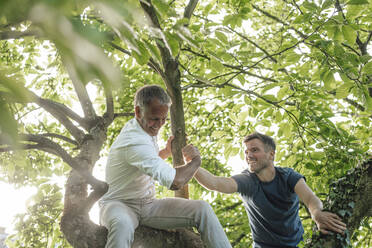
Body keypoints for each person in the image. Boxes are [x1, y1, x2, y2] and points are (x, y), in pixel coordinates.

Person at [99, 85, 231, 248]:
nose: (159, 124)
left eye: (164, 119)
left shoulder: (142, 127)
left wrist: (166, 152)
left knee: (202, 209)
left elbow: (143, 163)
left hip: (148, 205)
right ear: (138, 112)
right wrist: (195, 162)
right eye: (155, 118)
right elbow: (176, 182)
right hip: (118, 204)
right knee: (122, 225)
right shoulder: (133, 140)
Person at [184, 132, 347, 248]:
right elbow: (215, 183)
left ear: (271, 155)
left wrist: (317, 213)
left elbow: (310, 198)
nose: (249, 155)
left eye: (254, 150)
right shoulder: (247, 180)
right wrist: (193, 163)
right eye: (246, 152)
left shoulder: (287, 176)